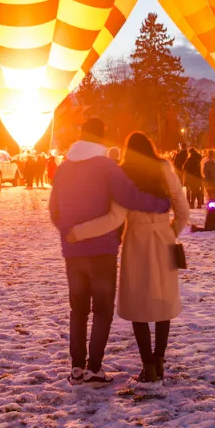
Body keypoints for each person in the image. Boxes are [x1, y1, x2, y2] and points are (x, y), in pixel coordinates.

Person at [49, 119, 172, 386]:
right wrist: (160, 204)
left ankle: (77, 368)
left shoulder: (63, 168)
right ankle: (95, 368)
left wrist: (69, 233)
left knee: (78, 310)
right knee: (102, 310)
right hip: (102, 251)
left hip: (74, 254)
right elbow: (129, 197)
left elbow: (54, 210)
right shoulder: (107, 166)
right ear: (101, 138)